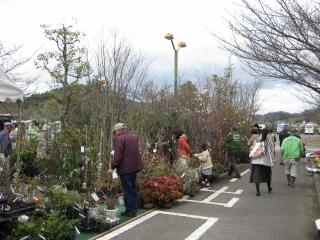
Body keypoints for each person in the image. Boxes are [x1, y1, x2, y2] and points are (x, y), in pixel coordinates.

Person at [109, 123, 144, 217]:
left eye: (115, 132)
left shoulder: (120, 139)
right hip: (135, 167)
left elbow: (118, 157)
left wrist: (111, 167)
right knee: (132, 187)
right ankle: (134, 207)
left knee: (127, 189)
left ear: (118, 130)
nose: (115, 134)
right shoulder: (134, 137)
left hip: (125, 169)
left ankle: (130, 210)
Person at [249, 128, 275, 196]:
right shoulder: (268, 140)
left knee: (256, 176)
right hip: (266, 160)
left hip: (256, 160)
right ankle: (269, 188)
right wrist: (272, 160)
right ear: (267, 133)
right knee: (268, 174)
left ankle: (258, 191)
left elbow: (252, 148)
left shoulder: (256, 140)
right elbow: (271, 150)